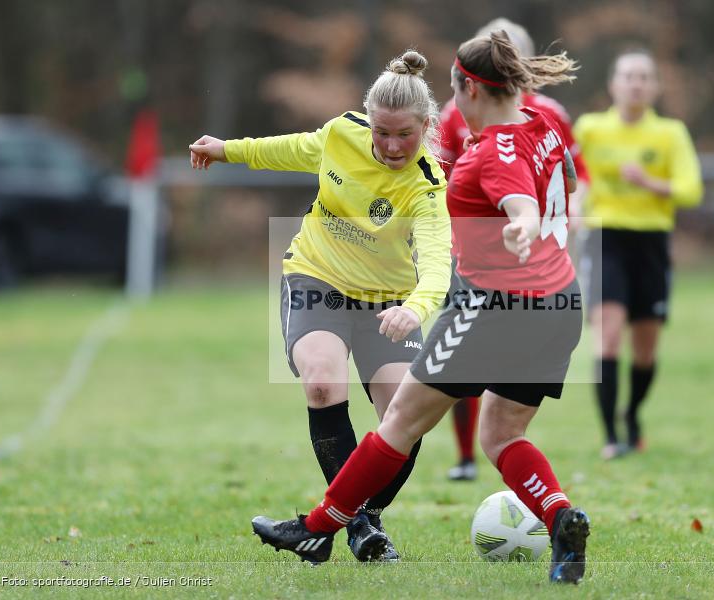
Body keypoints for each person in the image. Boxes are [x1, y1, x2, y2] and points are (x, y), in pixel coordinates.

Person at [250, 31, 591, 585]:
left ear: (470, 90)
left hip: (497, 305)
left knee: (400, 422)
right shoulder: (545, 124)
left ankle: (316, 528)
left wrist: (523, 226)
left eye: (454, 93)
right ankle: (560, 518)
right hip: (560, 304)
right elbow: (564, 179)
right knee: (502, 435)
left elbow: (519, 202)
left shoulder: (492, 151)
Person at [188, 51, 451, 561]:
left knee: (407, 414)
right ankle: (359, 526)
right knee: (323, 382)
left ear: (425, 126)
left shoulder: (428, 185)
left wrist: (415, 310)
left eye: (405, 134)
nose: (391, 146)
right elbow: (290, 148)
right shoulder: (341, 134)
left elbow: (439, 266)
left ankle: (357, 518)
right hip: (316, 278)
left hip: (388, 302)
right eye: (382, 133)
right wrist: (226, 150)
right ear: (368, 122)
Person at [437, 17, 591, 482]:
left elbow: (571, 177)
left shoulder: (544, 115)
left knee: (432, 391)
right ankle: (465, 455)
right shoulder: (458, 113)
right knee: (465, 377)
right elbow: (441, 175)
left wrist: (555, 222)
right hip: (479, 258)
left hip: (519, 269)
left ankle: (334, 513)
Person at [572, 48, 703, 460]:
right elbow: (569, 176)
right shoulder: (590, 129)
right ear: (613, 84)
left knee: (645, 350)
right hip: (605, 239)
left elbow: (691, 190)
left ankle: (632, 414)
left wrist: (649, 182)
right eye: (628, 76)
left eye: (644, 77)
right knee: (608, 337)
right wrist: (573, 207)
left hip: (651, 243)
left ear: (656, 87)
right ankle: (611, 436)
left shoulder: (670, 133)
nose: (636, 84)